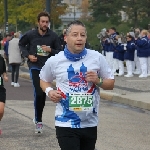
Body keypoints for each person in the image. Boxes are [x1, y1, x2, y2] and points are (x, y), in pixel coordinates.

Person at [39, 20, 114, 150]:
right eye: (75, 34)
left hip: (90, 122)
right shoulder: (55, 60)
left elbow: (110, 84)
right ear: (66, 38)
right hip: (65, 121)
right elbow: (44, 80)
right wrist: (50, 91)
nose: (79, 38)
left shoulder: (96, 57)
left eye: (82, 35)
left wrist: (98, 80)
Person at [19, 11, 62, 133]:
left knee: (43, 94)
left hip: (48, 68)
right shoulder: (30, 34)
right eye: (42, 21)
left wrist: (50, 50)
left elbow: (59, 51)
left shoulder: (53, 36)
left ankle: (38, 117)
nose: (45, 24)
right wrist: (28, 56)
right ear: (38, 22)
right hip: (35, 66)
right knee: (39, 93)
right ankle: (38, 121)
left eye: (47, 22)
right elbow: (21, 44)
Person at [0, 54, 8, 135]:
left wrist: (5, 76)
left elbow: (4, 71)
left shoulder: (1, 58)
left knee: (1, 110)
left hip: (0, 88)